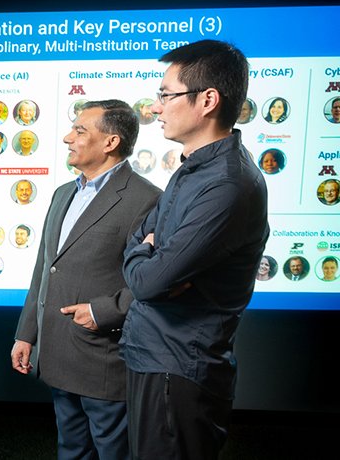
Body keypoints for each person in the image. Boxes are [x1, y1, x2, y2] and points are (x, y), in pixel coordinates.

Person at [121, 40, 269, 459]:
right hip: (155, 357)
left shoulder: (227, 184)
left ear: (207, 100)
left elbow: (147, 282)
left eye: (166, 95)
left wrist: (139, 255)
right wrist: (145, 250)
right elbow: (142, 238)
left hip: (179, 368)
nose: (155, 107)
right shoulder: (194, 167)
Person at [12, 99, 161, 460]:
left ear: (110, 142)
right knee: (72, 452)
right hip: (58, 354)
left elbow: (153, 282)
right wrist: (26, 333)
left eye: (80, 131)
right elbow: (45, 269)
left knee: (114, 452)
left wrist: (102, 313)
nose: (68, 138)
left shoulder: (147, 200)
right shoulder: (64, 192)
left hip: (104, 360)